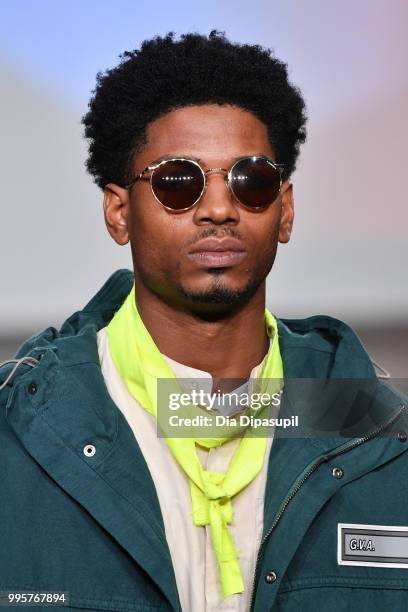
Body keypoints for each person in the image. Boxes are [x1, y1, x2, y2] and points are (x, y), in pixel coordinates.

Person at [0, 31, 407, 612]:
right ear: (119, 212)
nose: (218, 208)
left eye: (252, 180)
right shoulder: (21, 434)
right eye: (176, 182)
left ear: (285, 210)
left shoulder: (376, 434)